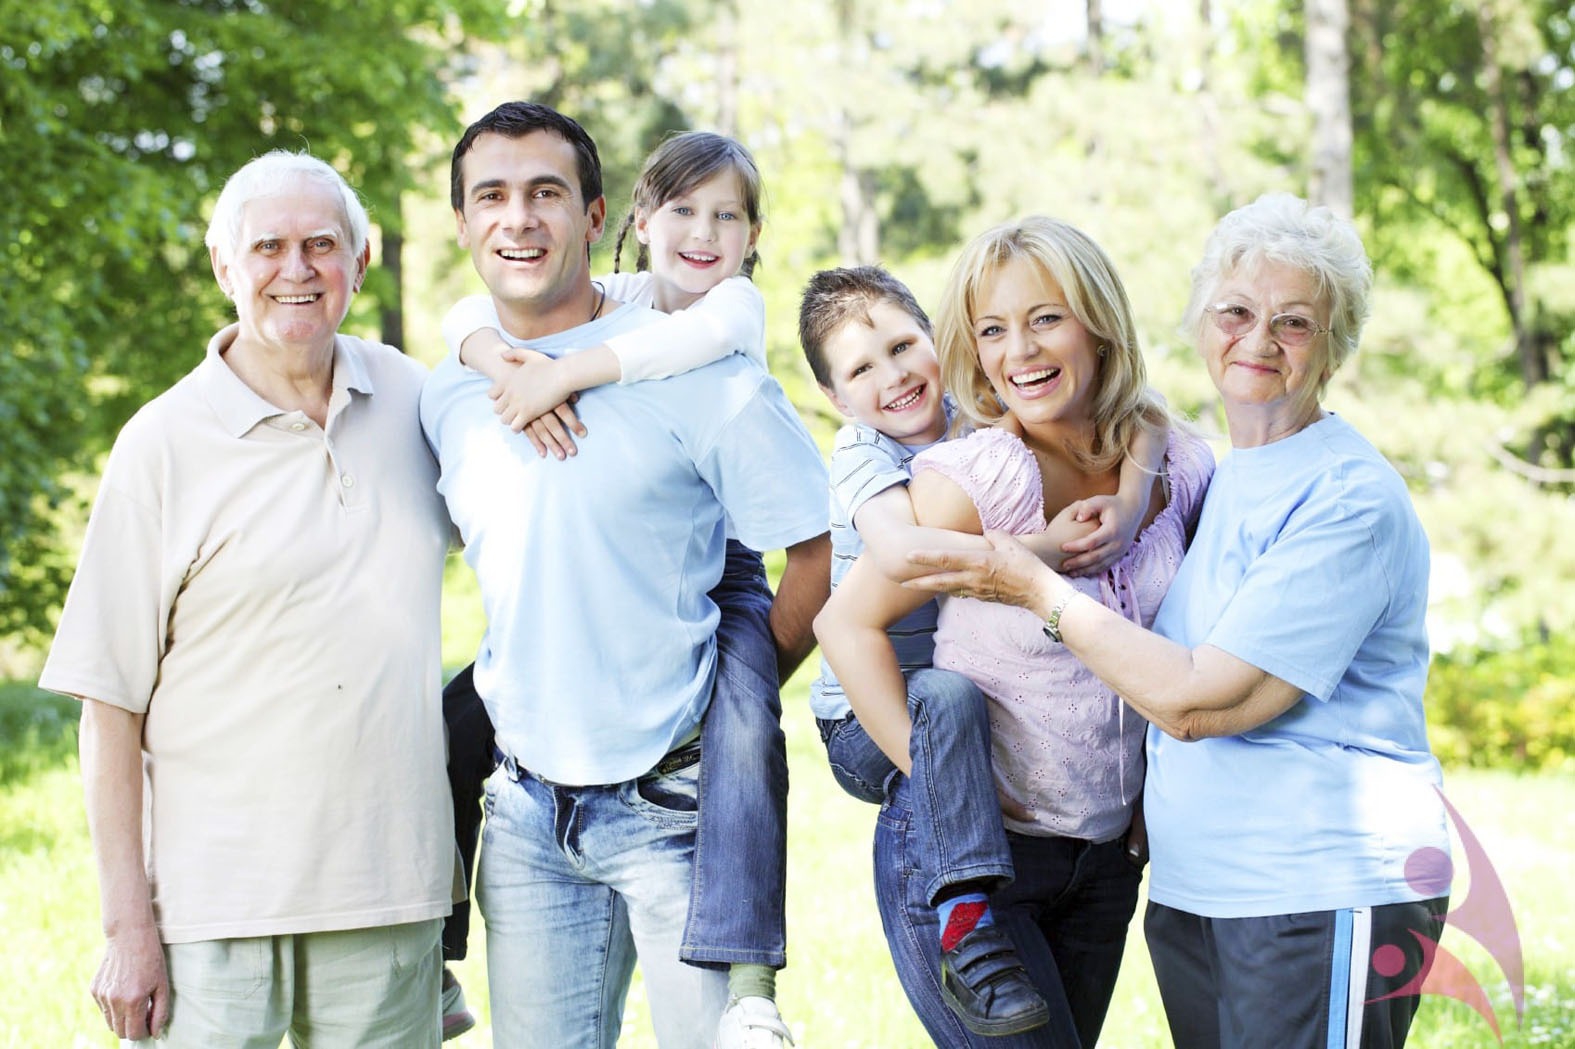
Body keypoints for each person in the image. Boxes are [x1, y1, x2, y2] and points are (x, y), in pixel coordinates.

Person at [903, 193, 1451, 1049]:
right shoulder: (1223, 475)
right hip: (1200, 890)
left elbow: (1203, 702)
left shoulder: (1346, 497)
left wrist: (1035, 585)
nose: (1258, 340)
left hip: (1317, 883)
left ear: (1334, 343)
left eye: (1294, 322)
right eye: (1234, 312)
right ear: (1202, 325)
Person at [420, 101, 830, 1049]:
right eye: (492, 196)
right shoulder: (448, 389)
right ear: (463, 223)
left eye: (545, 193)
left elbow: (817, 549)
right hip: (521, 813)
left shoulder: (703, 367)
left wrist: (731, 689)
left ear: (597, 216)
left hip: (675, 810)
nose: (517, 218)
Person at [39, 151, 455, 1047]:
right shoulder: (161, 443)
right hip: (210, 915)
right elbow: (107, 705)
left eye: (322, 244)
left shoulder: (419, 402)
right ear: (225, 266)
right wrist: (127, 930)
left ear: (361, 259)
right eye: (267, 246)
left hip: (387, 896)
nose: (296, 270)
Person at [816, 217, 1213, 1047]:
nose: (1018, 351)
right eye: (993, 329)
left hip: (1105, 863)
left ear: (1098, 320)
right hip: (979, 868)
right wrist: (936, 788)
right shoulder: (975, 477)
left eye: (1044, 318)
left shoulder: (1174, 461)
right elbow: (844, 622)